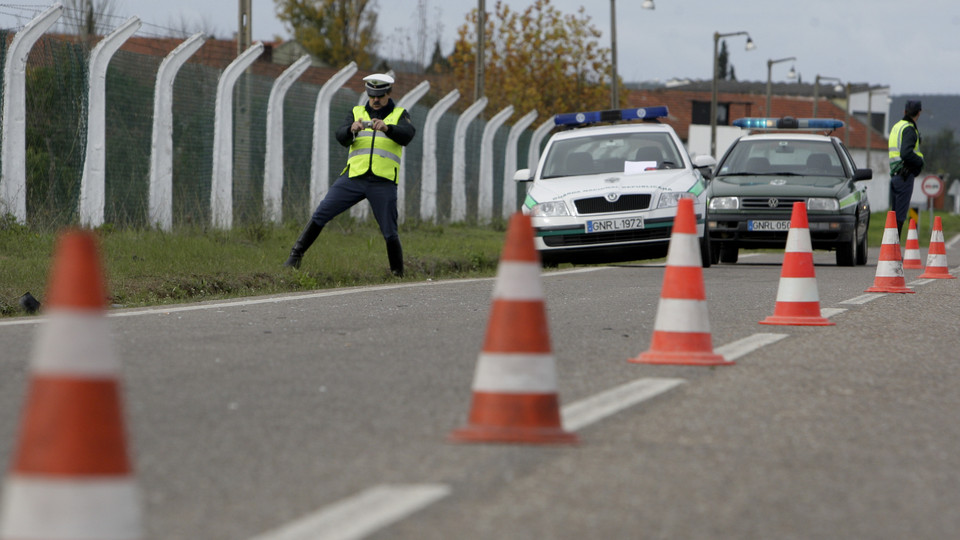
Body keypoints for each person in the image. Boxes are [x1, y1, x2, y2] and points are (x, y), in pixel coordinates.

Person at [283, 73, 416, 276]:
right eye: (372, 95)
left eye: (380, 95)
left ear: (389, 93)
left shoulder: (399, 114)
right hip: (354, 177)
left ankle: (397, 273)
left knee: (389, 230)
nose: (375, 100)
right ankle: (294, 257)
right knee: (321, 213)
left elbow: (407, 135)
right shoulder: (356, 112)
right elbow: (340, 136)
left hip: (383, 182)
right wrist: (350, 130)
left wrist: (388, 129)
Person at [888, 100, 924, 238]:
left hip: (895, 174)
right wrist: (920, 161)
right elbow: (906, 153)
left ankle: (891, 247)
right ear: (919, 113)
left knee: (894, 214)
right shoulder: (909, 129)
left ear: (904, 112)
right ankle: (894, 250)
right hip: (904, 175)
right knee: (900, 215)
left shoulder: (897, 126)